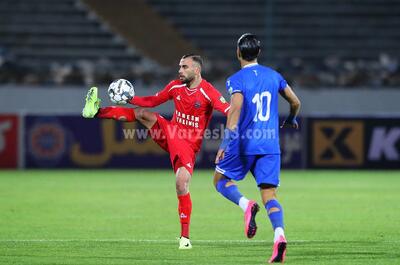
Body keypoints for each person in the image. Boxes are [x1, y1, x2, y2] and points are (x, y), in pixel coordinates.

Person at [82, 54, 230, 250]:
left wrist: (230, 139)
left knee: (181, 184)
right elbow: (153, 101)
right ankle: (97, 111)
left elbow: (229, 111)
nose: (180, 70)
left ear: (197, 70)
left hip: (188, 145)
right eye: (179, 66)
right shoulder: (175, 86)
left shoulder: (208, 92)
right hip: (171, 135)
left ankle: (184, 239)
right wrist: (131, 98)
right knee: (143, 113)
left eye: (185, 67)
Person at [213, 33, 301, 263]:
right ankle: (279, 236)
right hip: (270, 145)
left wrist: (225, 142)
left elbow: (235, 110)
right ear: (259, 53)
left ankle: (246, 205)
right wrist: (291, 118)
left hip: (245, 143)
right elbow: (295, 102)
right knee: (270, 195)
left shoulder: (236, 79)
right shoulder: (274, 76)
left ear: (238, 53)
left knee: (219, 180)